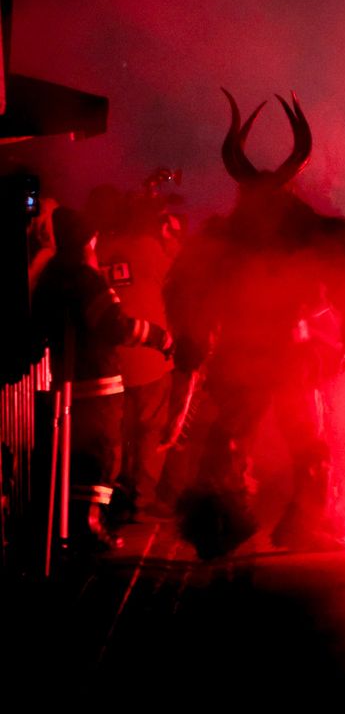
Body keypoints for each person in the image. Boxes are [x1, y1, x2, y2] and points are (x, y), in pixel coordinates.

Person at [162, 89, 345, 560]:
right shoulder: (238, 243)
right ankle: (226, 523)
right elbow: (196, 296)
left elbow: (341, 280)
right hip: (251, 356)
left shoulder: (292, 238)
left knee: (294, 442)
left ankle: (296, 522)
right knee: (242, 440)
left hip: (281, 358)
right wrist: (192, 344)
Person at [30, 206, 175, 551]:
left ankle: (71, 527)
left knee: (75, 459)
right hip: (95, 388)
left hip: (61, 386)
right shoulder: (84, 278)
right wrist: (158, 336)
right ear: (87, 240)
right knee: (99, 457)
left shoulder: (50, 278)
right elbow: (114, 324)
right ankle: (89, 527)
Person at [85, 176, 183, 522]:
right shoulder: (148, 247)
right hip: (152, 357)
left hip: (113, 361)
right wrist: (170, 236)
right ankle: (140, 501)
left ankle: (113, 496)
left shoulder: (95, 251)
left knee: (118, 434)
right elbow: (180, 276)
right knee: (150, 432)